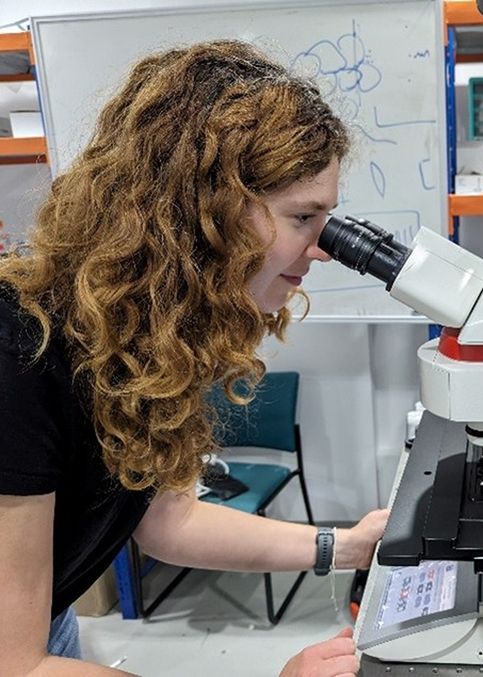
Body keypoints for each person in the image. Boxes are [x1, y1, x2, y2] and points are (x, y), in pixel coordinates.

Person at [0, 40, 388, 676]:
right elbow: (16, 665)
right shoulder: (21, 347)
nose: (321, 249)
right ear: (203, 213)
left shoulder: (143, 335)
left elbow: (166, 520)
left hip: (45, 618)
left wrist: (345, 546)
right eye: (303, 217)